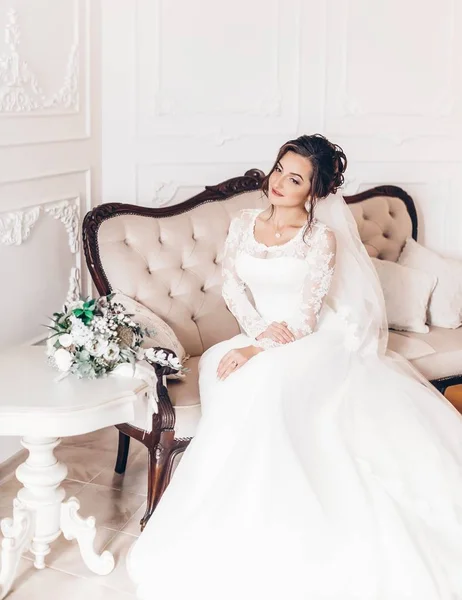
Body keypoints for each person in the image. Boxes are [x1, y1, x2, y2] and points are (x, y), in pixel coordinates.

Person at [127, 134, 462, 600]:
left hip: (314, 339)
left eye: (295, 177)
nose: (279, 182)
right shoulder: (244, 222)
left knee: (262, 384)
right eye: (279, 169)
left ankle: (285, 515)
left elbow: (306, 316)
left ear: (314, 190)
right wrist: (255, 337)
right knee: (232, 374)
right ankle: (238, 514)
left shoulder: (320, 237)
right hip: (257, 334)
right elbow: (231, 289)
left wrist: (261, 350)